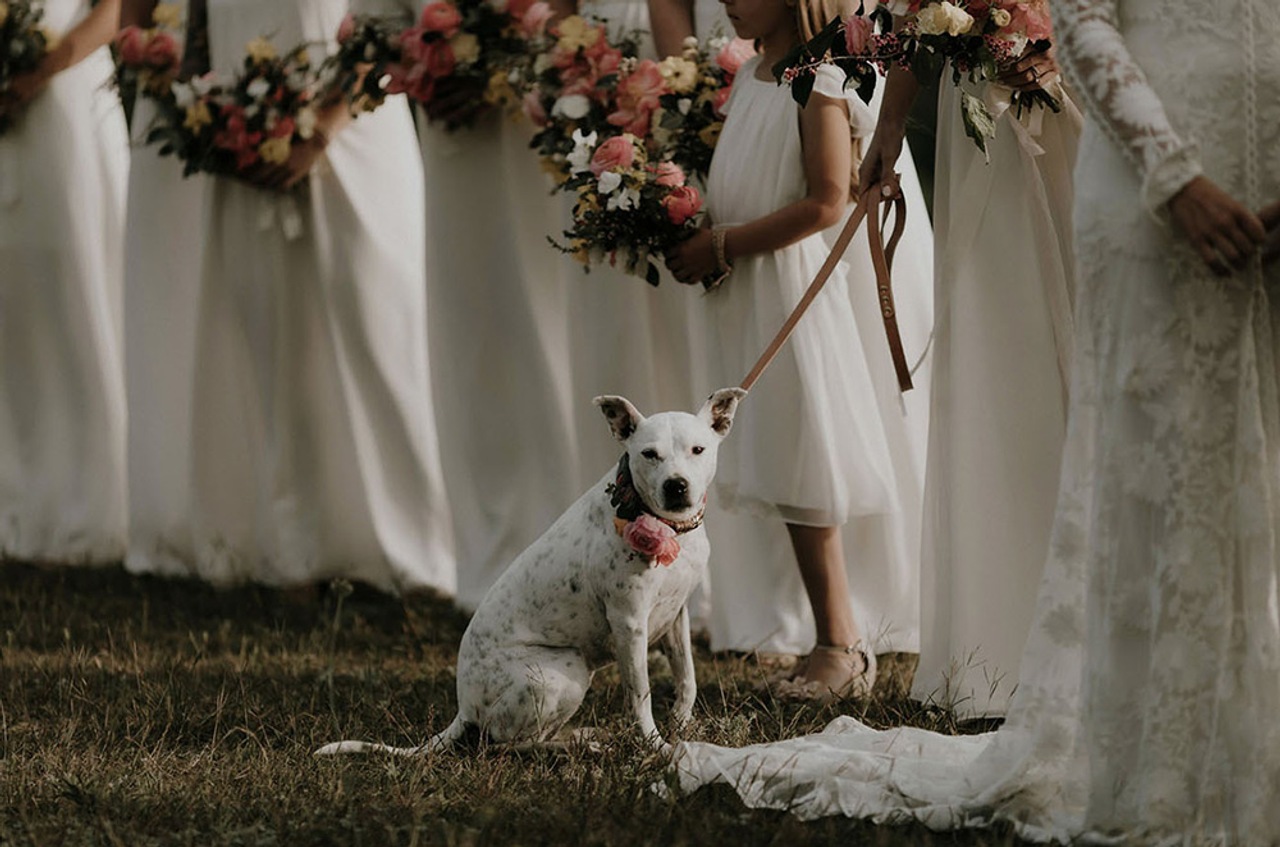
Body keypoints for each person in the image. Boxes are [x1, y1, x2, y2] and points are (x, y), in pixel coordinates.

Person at [671, 0, 1280, 841]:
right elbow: (928, 18)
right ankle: (1023, 632)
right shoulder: (827, 66)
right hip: (1023, 116)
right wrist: (895, 107)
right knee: (1018, 353)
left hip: (1081, 111)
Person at [131, 0, 457, 594]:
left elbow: (384, 18)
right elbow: (196, 22)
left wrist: (324, 124)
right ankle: (295, 543)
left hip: (352, 123)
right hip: (242, 122)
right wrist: (205, 120)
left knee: (380, 327)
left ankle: (414, 540)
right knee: (271, 337)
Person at [665, 0, 926, 697]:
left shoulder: (820, 79)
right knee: (783, 451)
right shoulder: (754, 72)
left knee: (807, 458)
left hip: (791, 287)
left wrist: (722, 243)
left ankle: (842, 644)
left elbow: (826, 200)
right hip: (748, 286)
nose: (727, 0)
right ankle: (826, 632)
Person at [859, 2, 1082, 716]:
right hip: (981, 109)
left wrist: (1064, 48)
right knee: (1000, 343)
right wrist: (888, 134)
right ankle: (1001, 636)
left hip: (1078, 96)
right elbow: (912, 15)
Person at [0, 0, 130, 563]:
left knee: (82, 294)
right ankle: (20, 506)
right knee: (14, 307)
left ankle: (97, 508)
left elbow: (116, 11)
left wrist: (39, 70)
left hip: (70, 100)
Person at [119, 0, 212, 579]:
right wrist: (147, 54)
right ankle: (166, 505)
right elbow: (130, 14)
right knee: (163, 300)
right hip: (164, 98)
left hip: (223, 90)